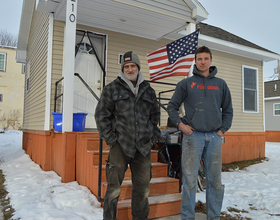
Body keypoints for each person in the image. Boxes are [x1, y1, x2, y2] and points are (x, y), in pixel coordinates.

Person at [167, 46, 233, 220]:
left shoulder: (221, 84)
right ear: (195, 61)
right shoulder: (186, 84)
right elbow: (172, 106)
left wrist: (221, 131)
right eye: (199, 59)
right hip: (192, 137)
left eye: (206, 58)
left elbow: (228, 110)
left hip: (214, 138)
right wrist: (181, 125)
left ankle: (214, 217)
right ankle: (187, 217)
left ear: (211, 60)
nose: (203, 62)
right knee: (189, 182)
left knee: (215, 182)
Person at [95, 51, 161, 220]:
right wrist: (111, 139)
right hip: (120, 145)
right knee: (113, 188)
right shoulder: (111, 89)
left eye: (133, 66)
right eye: (126, 66)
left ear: (138, 68)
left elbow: (155, 116)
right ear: (123, 68)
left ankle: (140, 217)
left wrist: (153, 136)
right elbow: (101, 116)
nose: (130, 69)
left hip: (143, 148)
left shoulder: (149, 91)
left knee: (143, 188)